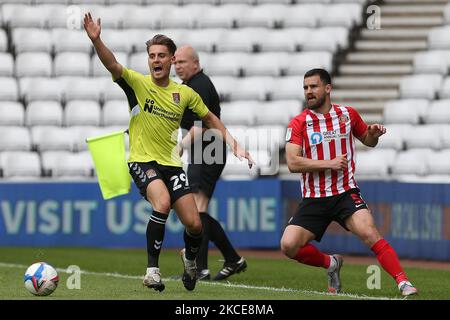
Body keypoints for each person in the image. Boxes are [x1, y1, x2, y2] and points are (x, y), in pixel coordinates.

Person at [83, 13, 253, 292]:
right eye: (152, 55)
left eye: (162, 55)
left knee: (195, 224)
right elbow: (111, 63)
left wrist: (235, 145)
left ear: (171, 60)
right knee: (161, 203)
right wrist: (96, 39)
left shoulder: (184, 93)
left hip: (172, 165)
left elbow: (210, 118)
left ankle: (190, 261)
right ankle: (152, 271)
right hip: (142, 160)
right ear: (148, 59)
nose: (156, 60)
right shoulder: (137, 83)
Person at [280, 68, 417, 296]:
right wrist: (329, 163)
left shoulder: (347, 115)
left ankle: (403, 282)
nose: (309, 92)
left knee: (370, 233)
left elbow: (368, 140)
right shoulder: (299, 123)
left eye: (313, 86)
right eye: (305, 88)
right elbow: (292, 162)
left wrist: (373, 133)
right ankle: (331, 263)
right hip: (314, 198)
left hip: (345, 193)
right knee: (288, 245)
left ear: (328, 88)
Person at [173, 45, 247, 281]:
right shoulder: (189, 86)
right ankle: (232, 259)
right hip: (203, 150)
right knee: (198, 209)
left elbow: (202, 124)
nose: (178, 66)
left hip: (209, 149)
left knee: (197, 208)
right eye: (176, 62)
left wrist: (181, 145)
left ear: (196, 63)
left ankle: (201, 269)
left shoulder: (200, 85)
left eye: (182, 62)